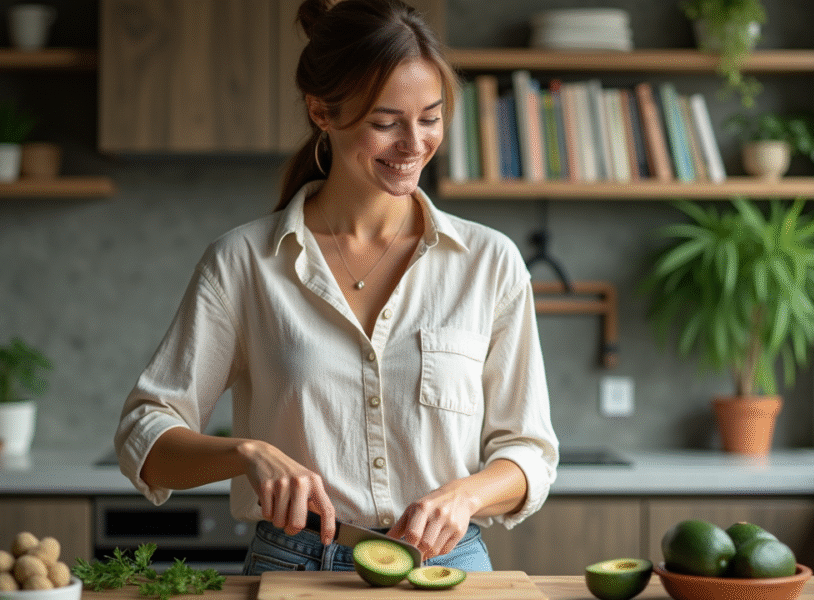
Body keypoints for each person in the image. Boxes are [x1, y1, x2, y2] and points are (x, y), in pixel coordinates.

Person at [115, 0, 558, 574]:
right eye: (385, 122)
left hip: (449, 566)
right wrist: (248, 454)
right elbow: (144, 438)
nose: (414, 143)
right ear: (321, 111)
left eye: (430, 117)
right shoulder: (244, 263)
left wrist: (466, 495)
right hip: (295, 564)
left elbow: (530, 452)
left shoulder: (488, 262)